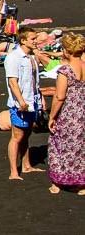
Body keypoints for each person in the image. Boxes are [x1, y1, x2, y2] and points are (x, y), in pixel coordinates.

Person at [47, 33, 85, 194]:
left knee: (59, 144)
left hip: (70, 112)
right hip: (83, 110)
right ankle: (81, 184)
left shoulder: (66, 70)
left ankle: (59, 182)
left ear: (67, 51)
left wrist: (52, 116)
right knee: (81, 147)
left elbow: (60, 96)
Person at [5, 27, 45, 180]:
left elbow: (35, 82)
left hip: (32, 101)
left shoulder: (32, 57)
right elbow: (13, 82)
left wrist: (39, 99)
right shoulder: (14, 58)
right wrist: (21, 101)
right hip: (20, 103)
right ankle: (14, 172)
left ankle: (27, 165)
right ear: (23, 40)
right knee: (17, 136)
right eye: (33, 39)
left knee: (26, 134)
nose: (36, 41)